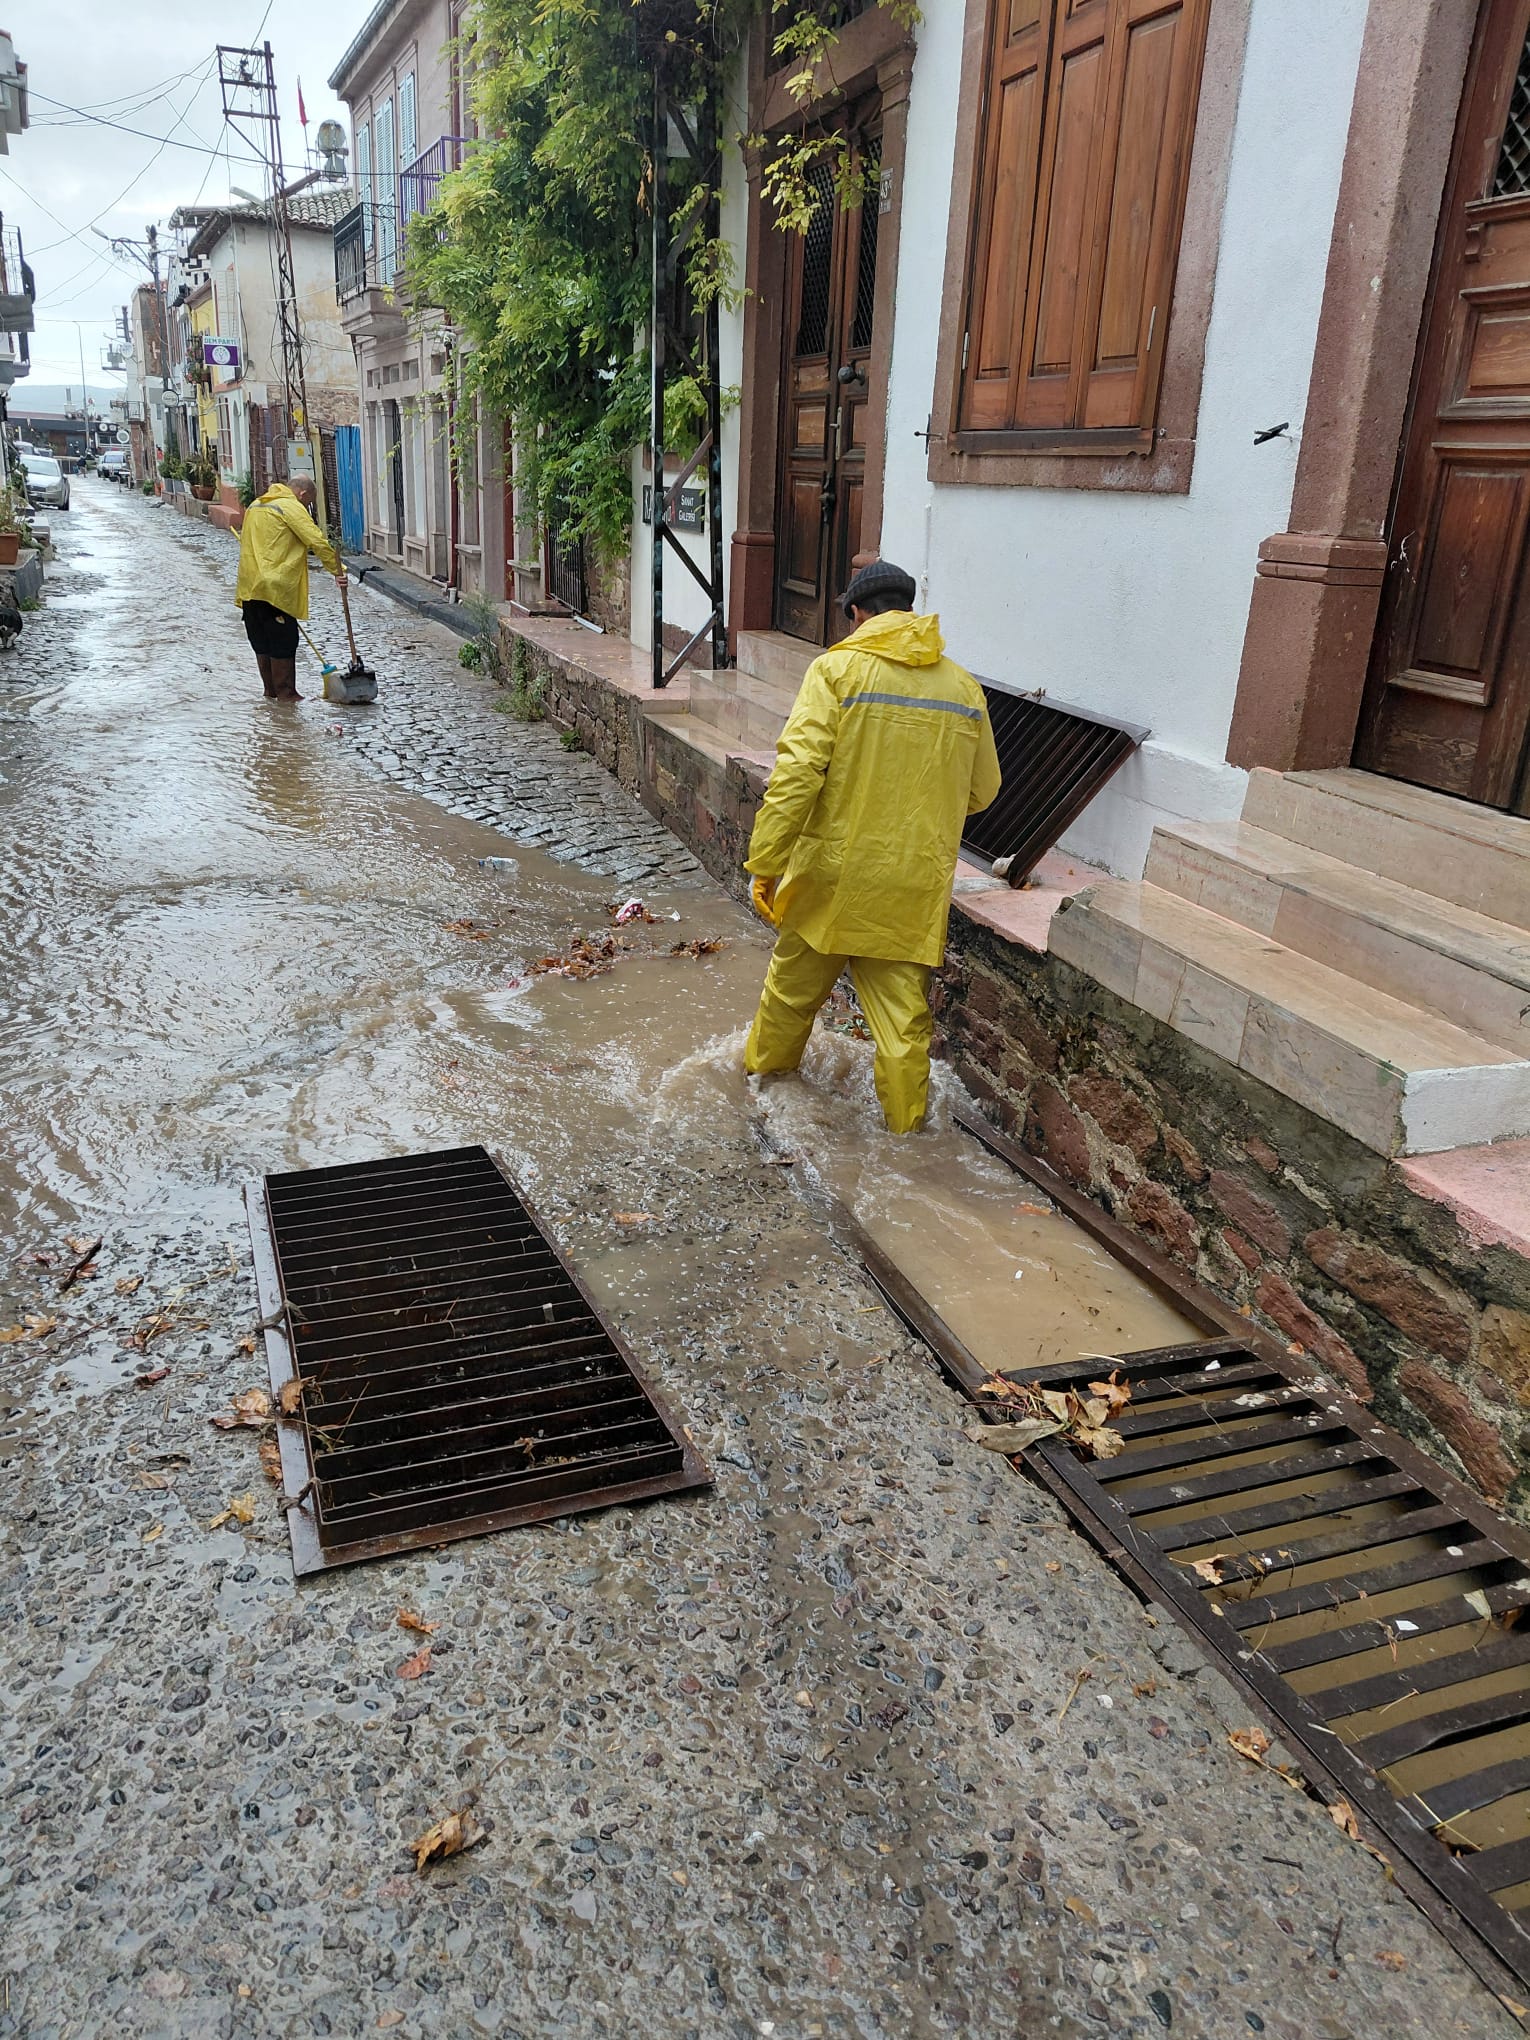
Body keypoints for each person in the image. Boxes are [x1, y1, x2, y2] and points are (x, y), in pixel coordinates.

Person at [743, 559, 1001, 1134]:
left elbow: (797, 775)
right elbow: (982, 791)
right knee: (903, 1026)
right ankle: (907, 1140)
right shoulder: (963, 687)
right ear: (910, 610)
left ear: (856, 615)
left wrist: (767, 861)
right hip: (911, 884)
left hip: (831, 880)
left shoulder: (835, 672)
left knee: (789, 996)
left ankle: (761, 1092)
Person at [234, 477, 346, 700]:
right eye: (309, 503)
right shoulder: (290, 507)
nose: (306, 507)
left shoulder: (255, 506)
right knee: (283, 645)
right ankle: (288, 702)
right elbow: (317, 541)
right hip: (276, 590)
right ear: (303, 494)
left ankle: (273, 710)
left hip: (249, 589)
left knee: (262, 644)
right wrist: (338, 571)